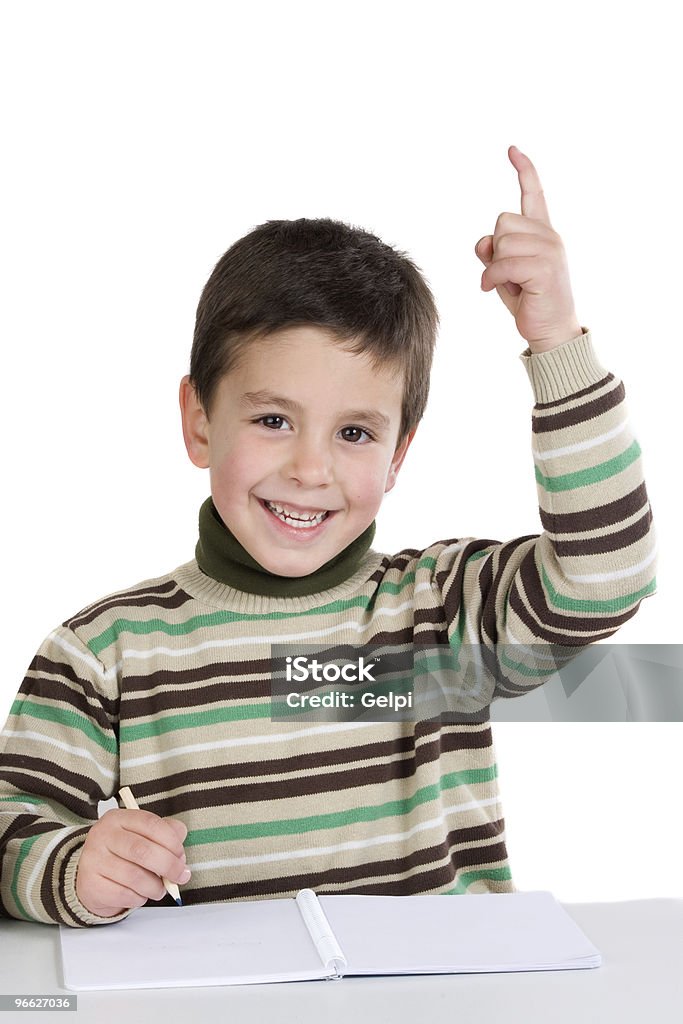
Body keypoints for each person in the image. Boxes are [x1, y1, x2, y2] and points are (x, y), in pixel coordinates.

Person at [0, 147, 656, 926]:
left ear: (398, 454)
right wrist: (75, 869)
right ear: (199, 419)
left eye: (353, 432)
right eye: (273, 420)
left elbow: (605, 575)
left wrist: (556, 343)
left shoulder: (439, 614)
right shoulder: (103, 653)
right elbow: (13, 833)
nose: (311, 468)